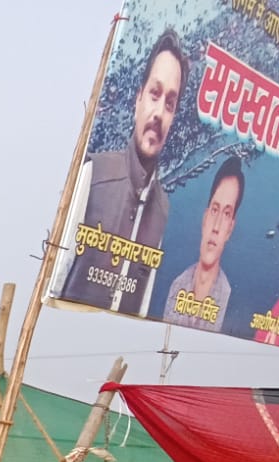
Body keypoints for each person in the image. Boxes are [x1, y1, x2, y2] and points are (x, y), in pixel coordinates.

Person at [59, 29, 186, 313]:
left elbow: (143, 304)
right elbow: (57, 276)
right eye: (154, 94)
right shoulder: (94, 173)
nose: (158, 113)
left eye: (169, 104)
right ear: (138, 99)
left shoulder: (163, 210)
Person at [161, 156, 243, 334]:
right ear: (205, 218)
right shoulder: (177, 285)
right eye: (215, 210)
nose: (216, 227)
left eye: (227, 214)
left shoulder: (229, 297)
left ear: (230, 229)